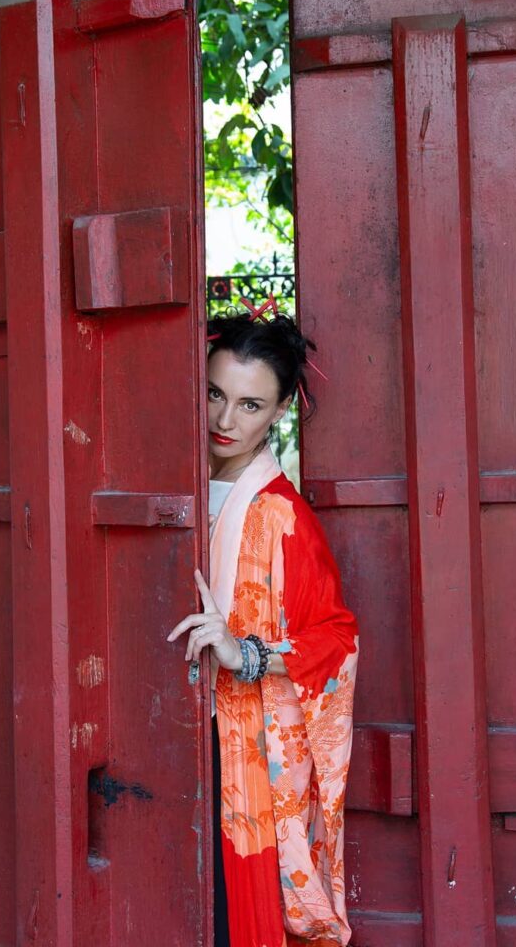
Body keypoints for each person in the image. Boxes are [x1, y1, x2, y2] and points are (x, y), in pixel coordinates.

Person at [167, 302, 360, 947]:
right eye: (215, 394)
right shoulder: (167, 484)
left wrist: (243, 652)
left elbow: (335, 640)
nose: (225, 420)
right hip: (155, 731)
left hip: (237, 750)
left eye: (250, 405)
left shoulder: (284, 518)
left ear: (279, 413)